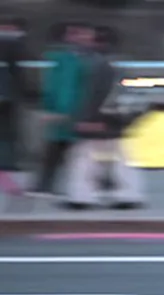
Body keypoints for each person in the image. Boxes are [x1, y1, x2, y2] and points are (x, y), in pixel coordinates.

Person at [63, 25, 144, 210]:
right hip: (117, 119)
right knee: (122, 159)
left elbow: (93, 95)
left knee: (84, 159)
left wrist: (86, 120)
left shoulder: (95, 64)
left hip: (99, 119)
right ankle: (129, 194)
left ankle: (81, 196)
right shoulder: (118, 63)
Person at [31, 22, 91, 200]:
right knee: (57, 149)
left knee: (67, 150)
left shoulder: (83, 59)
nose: (81, 39)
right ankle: (46, 185)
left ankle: (48, 185)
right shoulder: (63, 59)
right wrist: (50, 108)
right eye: (77, 34)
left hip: (78, 110)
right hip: (64, 110)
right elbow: (53, 86)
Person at [0, 16, 29, 198]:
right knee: (6, 136)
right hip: (7, 98)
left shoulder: (12, 46)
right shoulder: (11, 45)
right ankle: (6, 172)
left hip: (8, 99)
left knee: (7, 135)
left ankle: (6, 171)